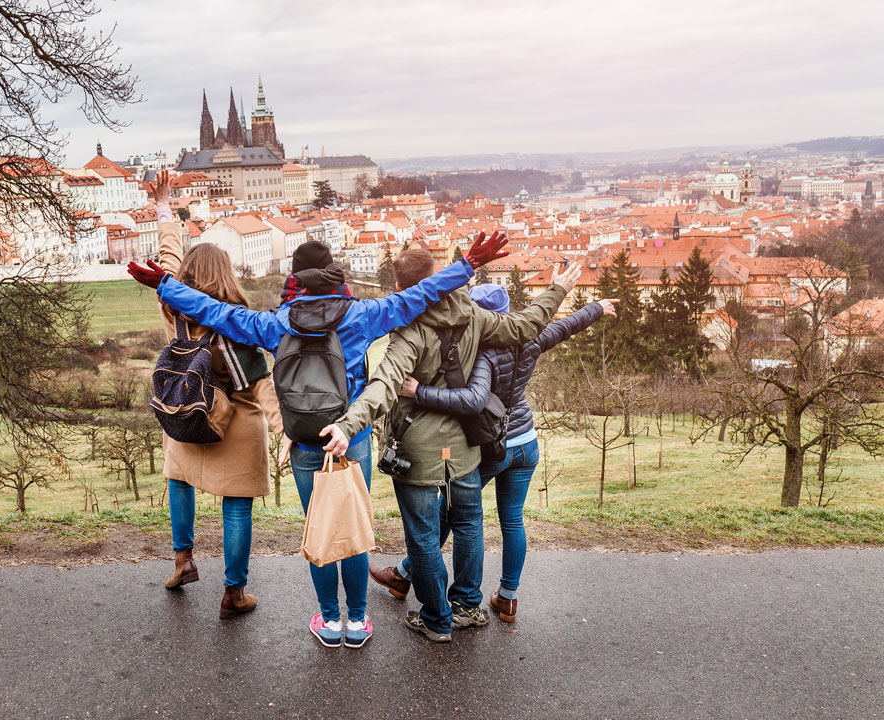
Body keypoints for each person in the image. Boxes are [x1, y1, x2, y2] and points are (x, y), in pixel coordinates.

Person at [128, 226, 510, 649]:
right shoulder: (361, 316)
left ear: (295, 280)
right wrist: (468, 265)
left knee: (322, 529)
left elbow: (215, 312)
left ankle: (330, 621)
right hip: (351, 436)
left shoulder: (274, 323)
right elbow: (417, 296)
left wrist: (165, 285)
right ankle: (358, 620)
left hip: (306, 441)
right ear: (332, 275)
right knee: (352, 526)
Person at [321, 249, 581, 642]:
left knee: (424, 538)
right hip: (463, 447)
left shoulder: (410, 330)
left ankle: (437, 619)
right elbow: (525, 326)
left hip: (418, 452)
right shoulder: (472, 315)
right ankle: (466, 606)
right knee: (469, 524)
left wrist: (347, 424)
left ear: (400, 289)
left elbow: (383, 386)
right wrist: (557, 290)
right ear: (437, 276)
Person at [369, 285, 617, 623]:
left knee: (451, 514)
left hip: (491, 445)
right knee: (512, 520)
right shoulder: (528, 340)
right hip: (525, 441)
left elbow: (471, 399)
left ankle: (404, 576)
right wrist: (597, 308)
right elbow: (563, 327)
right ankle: (508, 598)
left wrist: (419, 391)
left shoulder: (479, 351)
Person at [147, 172, 284, 620]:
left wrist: (164, 208)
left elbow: (168, 259)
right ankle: (233, 592)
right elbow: (262, 384)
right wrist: (286, 433)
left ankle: (183, 559)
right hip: (237, 424)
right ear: (226, 275)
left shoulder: (174, 306)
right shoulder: (237, 320)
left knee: (178, 479)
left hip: (187, 409)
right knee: (237, 509)